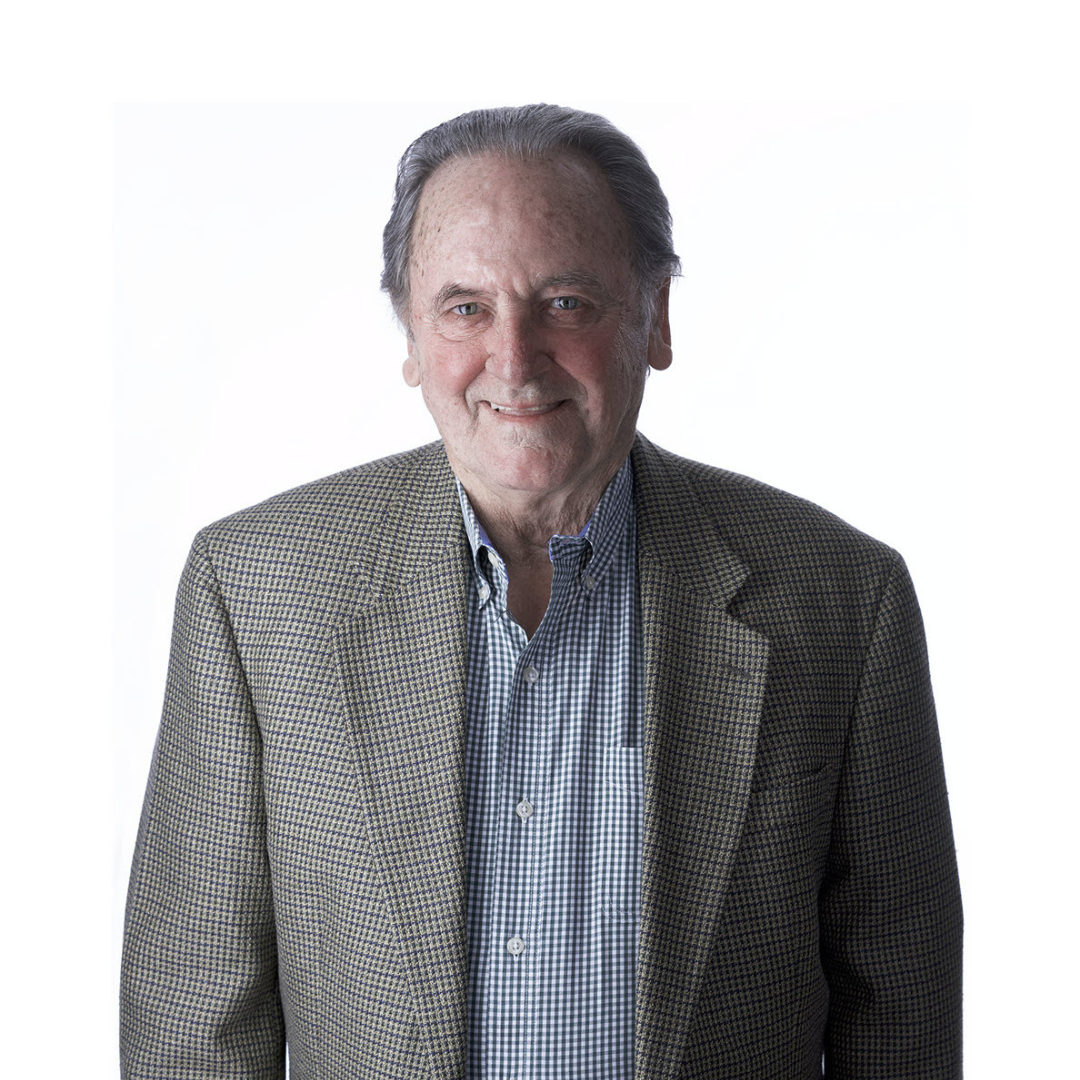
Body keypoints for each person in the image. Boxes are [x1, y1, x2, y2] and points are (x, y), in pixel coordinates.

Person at [120, 104, 962, 1079]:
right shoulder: (256, 590)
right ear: (409, 332)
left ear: (655, 317)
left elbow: (899, 1005)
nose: (514, 364)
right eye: (465, 307)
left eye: (565, 302)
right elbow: (194, 1021)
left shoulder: (842, 601)